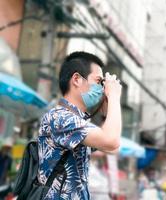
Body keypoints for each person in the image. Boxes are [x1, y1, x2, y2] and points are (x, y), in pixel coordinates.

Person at [37, 51, 122, 199]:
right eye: (98, 81)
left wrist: (108, 107)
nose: (102, 88)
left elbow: (112, 147)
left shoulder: (77, 122)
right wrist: (114, 96)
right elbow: (112, 142)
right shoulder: (60, 117)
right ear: (76, 79)